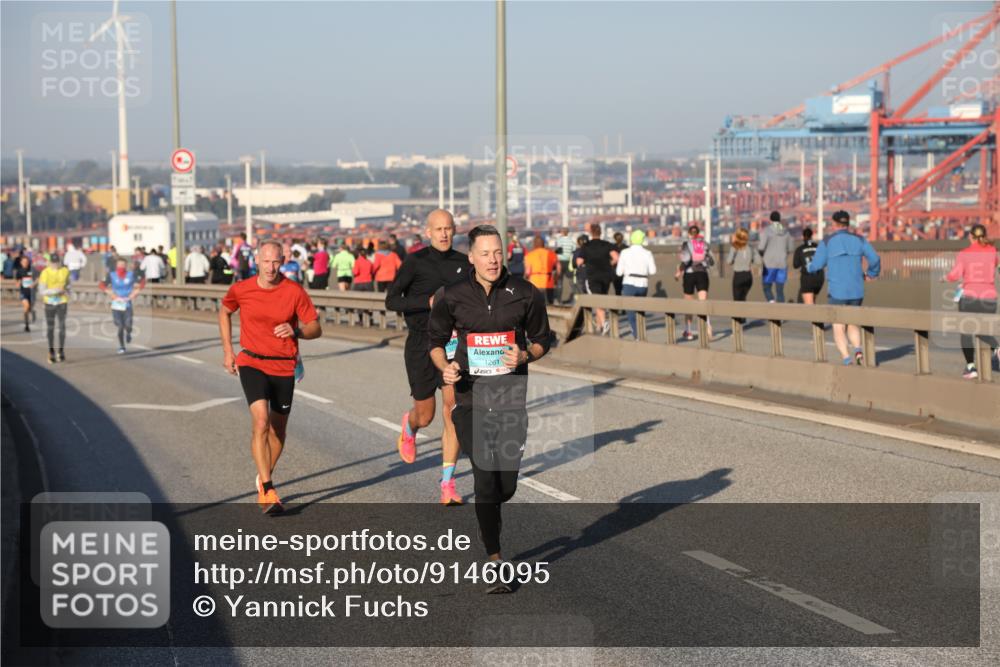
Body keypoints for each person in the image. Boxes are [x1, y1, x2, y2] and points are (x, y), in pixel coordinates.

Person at [428, 224, 551, 592]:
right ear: (472, 257)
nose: (493, 260)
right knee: (484, 478)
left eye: (498, 252)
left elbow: (544, 339)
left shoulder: (525, 294)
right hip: (470, 401)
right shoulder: (452, 296)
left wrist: (526, 353)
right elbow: (435, 342)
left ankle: (494, 513)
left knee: (505, 486)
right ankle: (495, 561)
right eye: (485, 253)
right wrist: (445, 366)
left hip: (511, 402)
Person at [218, 240, 323, 514]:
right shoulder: (242, 289)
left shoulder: (294, 291)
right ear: (256, 261)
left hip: (283, 365)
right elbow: (225, 311)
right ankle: (267, 488)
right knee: (261, 422)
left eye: (276, 261)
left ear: (283, 260)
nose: (271, 267)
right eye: (266, 261)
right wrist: (229, 351)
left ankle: (264, 474)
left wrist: (296, 331)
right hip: (252, 361)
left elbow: (315, 327)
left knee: (279, 430)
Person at [385, 209, 467, 505]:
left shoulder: (463, 263)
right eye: (439, 229)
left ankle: (447, 484)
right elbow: (392, 300)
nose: (444, 234)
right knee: (427, 413)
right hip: (420, 344)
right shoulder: (415, 262)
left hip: (451, 346)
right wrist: (427, 302)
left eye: (449, 228)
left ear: (454, 230)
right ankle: (411, 426)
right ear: (428, 232)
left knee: (452, 408)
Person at [807, 210, 881, 366]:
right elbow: (874, 258)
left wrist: (809, 267)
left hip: (837, 291)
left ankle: (847, 360)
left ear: (833, 224)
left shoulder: (827, 242)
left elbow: (817, 265)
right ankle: (858, 350)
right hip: (856, 290)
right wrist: (871, 273)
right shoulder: (860, 240)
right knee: (852, 323)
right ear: (848, 224)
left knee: (838, 326)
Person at [943, 223, 999, 379]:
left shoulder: (964, 253)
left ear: (971, 237)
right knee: (983, 329)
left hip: (970, 298)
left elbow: (954, 274)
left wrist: (944, 278)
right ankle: (996, 348)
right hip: (990, 298)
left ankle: (971, 367)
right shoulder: (993, 251)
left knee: (967, 331)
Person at [616, 229, 657, 339]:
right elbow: (653, 271)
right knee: (640, 309)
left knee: (630, 311)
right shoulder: (648, 253)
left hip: (629, 283)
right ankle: (640, 331)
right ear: (642, 240)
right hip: (643, 284)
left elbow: (618, 272)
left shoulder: (624, 252)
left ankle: (637, 334)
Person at [675, 224, 714, 340]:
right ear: (698, 233)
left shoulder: (686, 244)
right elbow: (711, 261)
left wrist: (679, 271)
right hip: (702, 274)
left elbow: (686, 260)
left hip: (689, 275)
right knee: (703, 302)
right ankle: (708, 327)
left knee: (689, 304)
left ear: (689, 234)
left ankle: (689, 330)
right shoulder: (705, 244)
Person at [99, 258, 145, 354]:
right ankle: (122, 346)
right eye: (119, 265)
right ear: (116, 266)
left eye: (123, 265)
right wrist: (110, 293)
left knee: (128, 326)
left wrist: (135, 292)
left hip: (127, 303)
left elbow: (143, 282)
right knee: (120, 326)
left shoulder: (131, 275)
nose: (121, 267)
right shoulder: (111, 275)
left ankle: (128, 333)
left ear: (126, 265)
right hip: (116, 304)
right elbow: (101, 284)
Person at [581, 223, 619, 334]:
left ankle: (604, 322)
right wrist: (609, 264)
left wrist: (583, 264)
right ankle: (599, 326)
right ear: (601, 232)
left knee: (597, 300)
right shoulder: (607, 244)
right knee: (602, 299)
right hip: (606, 276)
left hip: (593, 276)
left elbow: (579, 261)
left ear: (591, 233)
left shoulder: (586, 246)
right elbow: (616, 258)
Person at [37, 253, 71, 364]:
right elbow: (42, 291)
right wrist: (56, 290)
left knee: (62, 326)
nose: (55, 264)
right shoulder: (45, 273)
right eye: (53, 262)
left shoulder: (65, 271)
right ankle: (51, 351)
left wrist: (68, 290)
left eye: (57, 262)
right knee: (50, 327)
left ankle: (61, 351)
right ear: (49, 262)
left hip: (62, 301)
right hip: (49, 302)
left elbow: (68, 284)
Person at [758, 211, 794, 303]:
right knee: (780, 291)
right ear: (779, 219)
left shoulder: (767, 231)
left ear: (770, 219)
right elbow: (791, 248)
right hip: (782, 264)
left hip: (768, 264)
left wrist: (763, 255)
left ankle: (771, 303)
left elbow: (761, 247)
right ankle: (780, 313)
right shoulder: (786, 232)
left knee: (766, 287)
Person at [727, 227, 760, 304]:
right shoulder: (751, 248)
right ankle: (743, 315)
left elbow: (729, 261)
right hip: (748, 276)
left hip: (738, 275)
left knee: (737, 300)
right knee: (743, 298)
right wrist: (750, 259)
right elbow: (758, 262)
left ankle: (738, 316)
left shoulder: (734, 247)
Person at [523, 235, 560, 305]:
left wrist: (524, 279)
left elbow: (527, 272)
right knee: (549, 305)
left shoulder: (530, 255)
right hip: (549, 283)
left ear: (534, 244)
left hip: (535, 283)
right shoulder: (551, 254)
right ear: (543, 244)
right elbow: (558, 269)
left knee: (536, 306)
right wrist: (556, 279)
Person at [793, 228, 824, 304]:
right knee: (813, 300)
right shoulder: (818, 247)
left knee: (808, 305)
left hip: (807, 278)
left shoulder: (800, 249)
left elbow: (795, 265)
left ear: (803, 237)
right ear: (812, 236)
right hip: (819, 278)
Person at [553, 227, 576, 304]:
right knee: (571, 281)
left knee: (560, 282)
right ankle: (574, 298)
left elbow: (558, 251)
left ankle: (559, 300)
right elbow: (574, 250)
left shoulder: (559, 241)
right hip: (569, 262)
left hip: (560, 262)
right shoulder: (571, 241)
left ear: (562, 233)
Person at [14, 254, 36, 332]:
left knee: (30, 307)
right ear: (21, 262)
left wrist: (34, 284)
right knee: (26, 307)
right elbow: (17, 281)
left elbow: (38, 278)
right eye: (23, 262)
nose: (25, 263)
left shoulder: (32, 269)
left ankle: (32, 311)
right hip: (23, 291)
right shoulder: (19, 271)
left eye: (26, 262)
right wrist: (18, 283)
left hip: (32, 292)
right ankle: (27, 325)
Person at [572, 234, 589, 298]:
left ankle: (583, 306)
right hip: (590, 274)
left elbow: (574, 264)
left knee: (581, 292)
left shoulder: (576, 252)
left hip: (580, 274)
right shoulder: (591, 250)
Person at [612, 231, 627, 296]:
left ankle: (618, 304)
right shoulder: (627, 247)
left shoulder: (611, 247)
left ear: (614, 238)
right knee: (625, 289)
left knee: (617, 290)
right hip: (625, 270)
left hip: (615, 270)